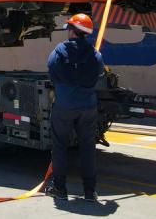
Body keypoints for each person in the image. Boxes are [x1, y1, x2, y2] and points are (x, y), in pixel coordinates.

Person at [45, 14, 104, 202]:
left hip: (64, 105)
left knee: (60, 146)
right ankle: (90, 191)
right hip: (87, 106)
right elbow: (99, 72)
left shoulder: (59, 50)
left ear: (71, 31)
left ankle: (60, 189)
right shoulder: (95, 54)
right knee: (87, 148)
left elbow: (52, 72)